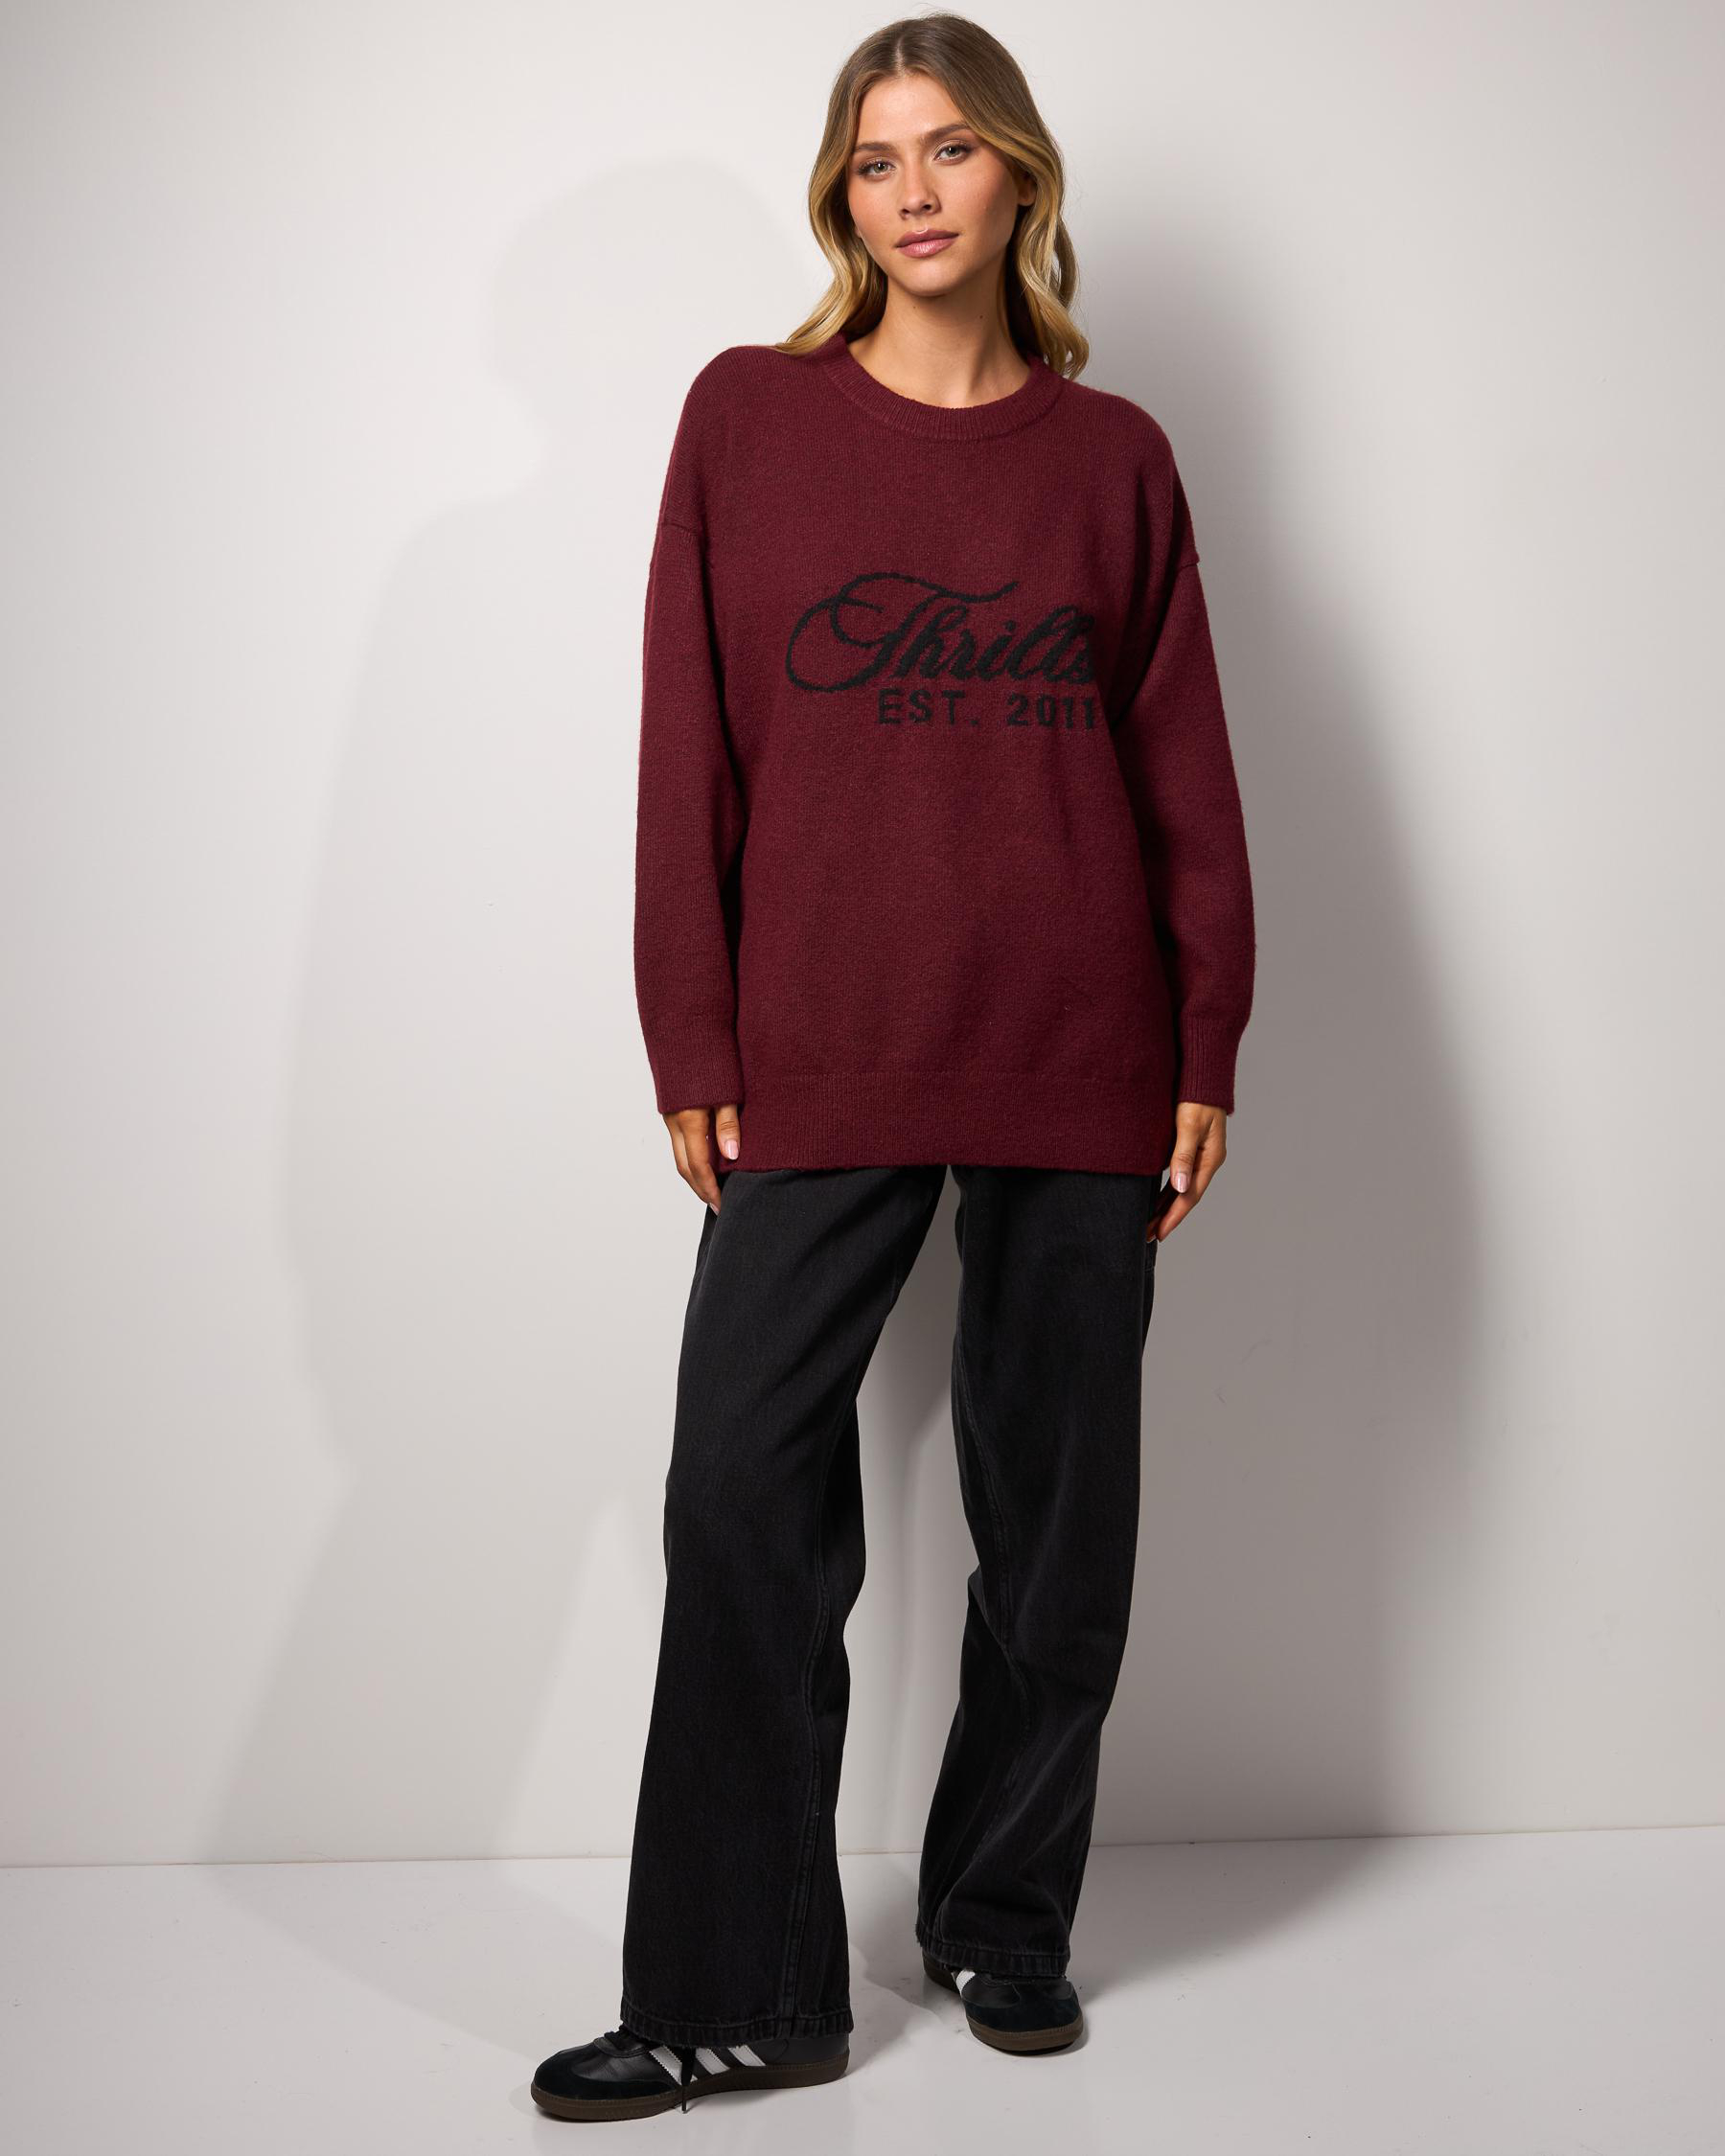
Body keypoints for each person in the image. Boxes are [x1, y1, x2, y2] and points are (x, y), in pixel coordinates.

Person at [531, 10, 1255, 2123]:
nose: (914, 191)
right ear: (840, 197)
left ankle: (1002, 1918)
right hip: (823, 1043)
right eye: (875, 158)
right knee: (743, 1494)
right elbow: (687, 741)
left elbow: (1185, 769)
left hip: (1080, 1041)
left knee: (1057, 1528)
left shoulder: (1115, 461)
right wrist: (690, 1022)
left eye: (949, 149)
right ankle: (741, 1990)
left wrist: (1207, 1027)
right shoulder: (748, 419)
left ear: (1020, 175)